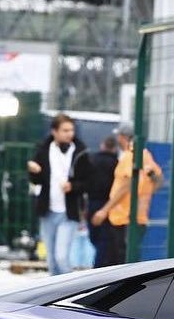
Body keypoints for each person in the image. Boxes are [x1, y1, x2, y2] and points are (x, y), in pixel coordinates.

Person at [90, 121, 163, 265]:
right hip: (138, 217)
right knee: (129, 260)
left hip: (123, 217)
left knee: (120, 263)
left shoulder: (129, 156)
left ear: (122, 137)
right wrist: (146, 193)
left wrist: (104, 210)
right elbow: (159, 180)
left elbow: (126, 184)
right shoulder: (145, 154)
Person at [27, 113, 89, 275]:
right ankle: (56, 295)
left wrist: (73, 186)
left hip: (69, 212)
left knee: (62, 257)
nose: (70, 134)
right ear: (54, 132)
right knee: (52, 261)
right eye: (65, 130)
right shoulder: (43, 150)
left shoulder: (81, 152)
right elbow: (36, 181)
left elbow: (88, 182)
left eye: (71, 130)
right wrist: (34, 171)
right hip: (47, 211)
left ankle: (72, 290)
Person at [84, 135, 120, 268]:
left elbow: (84, 183)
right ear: (115, 148)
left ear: (102, 145)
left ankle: (99, 265)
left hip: (92, 202)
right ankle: (99, 267)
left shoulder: (91, 160)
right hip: (109, 205)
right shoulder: (116, 164)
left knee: (94, 237)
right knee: (105, 240)